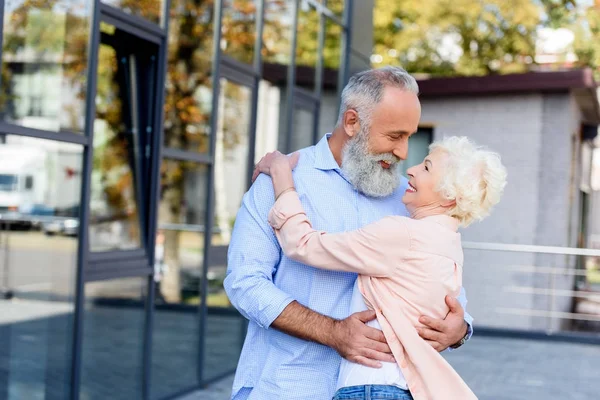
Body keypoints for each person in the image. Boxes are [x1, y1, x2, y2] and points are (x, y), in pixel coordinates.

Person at [224, 67, 473, 400]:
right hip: (286, 388)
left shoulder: (409, 198)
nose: (403, 152)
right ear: (352, 122)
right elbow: (245, 282)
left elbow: (442, 281)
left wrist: (459, 328)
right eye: (395, 136)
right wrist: (332, 331)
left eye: (409, 137)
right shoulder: (281, 180)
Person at [255, 136, 507, 399]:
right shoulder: (450, 247)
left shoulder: (402, 234)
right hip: (404, 388)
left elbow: (302, 244)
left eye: (427, 167)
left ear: (448, 197)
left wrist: (282, 179)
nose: (411, 169)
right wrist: (461, 330)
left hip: (371, 387)